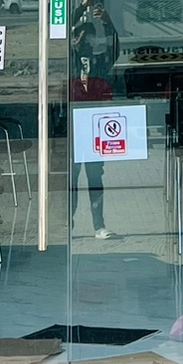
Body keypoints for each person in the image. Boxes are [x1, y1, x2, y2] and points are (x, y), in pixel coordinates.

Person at [69, 56, 114, 240]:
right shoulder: (70, 83)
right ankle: (68, 224)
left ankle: (99, 225)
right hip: (73, 139)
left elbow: (109, 106)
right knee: (71, 182)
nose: (85, 65)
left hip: (93, 138)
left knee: (95, 180)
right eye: (82, 61)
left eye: (88, 60)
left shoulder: (100, 83)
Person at [71, 0, 119, 83]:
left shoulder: (102, 61)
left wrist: (108, 22)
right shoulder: (72, 59)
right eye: (86, 38)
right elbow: (61, 29)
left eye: (90, 38)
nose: (89, 40)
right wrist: (82, 7)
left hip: (98, 90)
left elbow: (115, 47)